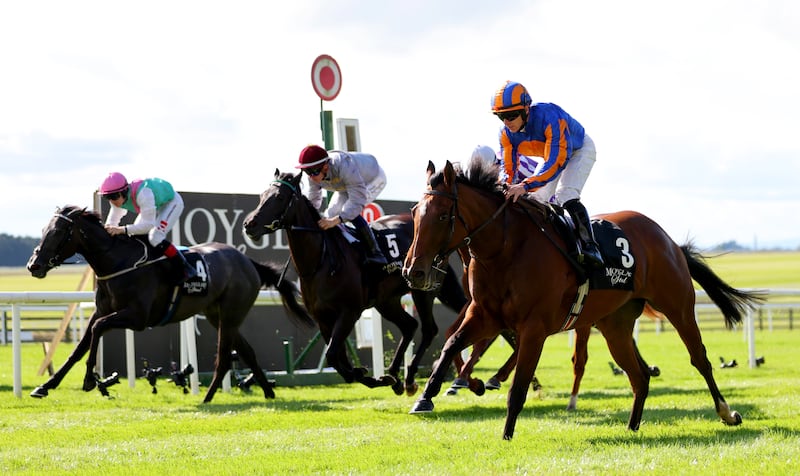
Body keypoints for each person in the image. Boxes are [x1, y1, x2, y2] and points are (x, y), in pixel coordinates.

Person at [491, 80, 604, 268]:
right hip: (551, 154)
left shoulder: (550, 117)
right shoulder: (505, 133)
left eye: (511, 115)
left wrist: (525, 185)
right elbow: (508, 168)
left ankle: (590, 246)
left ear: (526, 109)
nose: (506, 122)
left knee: (566, 195)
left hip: (578, 150)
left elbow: (556, 163)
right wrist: (505, 186)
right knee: (536, 199)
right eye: (501, 116)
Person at [295, 145, 388, 266]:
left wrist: (336, 220)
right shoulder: (313, 176)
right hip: (346, 184)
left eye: (313, 172)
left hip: (372, 179)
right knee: (330, 214)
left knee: (348, 212)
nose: (311, 176)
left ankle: (376, 253)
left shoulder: (344, 165)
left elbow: (357, 202)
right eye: (307, 172)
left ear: (325, 167)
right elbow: (313, 200)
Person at [99, 172, 198, 282]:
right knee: (134, 234)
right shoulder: (117, 199)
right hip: (155, 204)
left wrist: (122, 230)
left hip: (171, 203)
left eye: (113, 196)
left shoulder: (143, 194)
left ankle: (185, 268)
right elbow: (111, 223)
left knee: (155, 237)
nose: (112, 201)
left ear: (124, 191)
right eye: (107, 197)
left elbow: (148, 225)